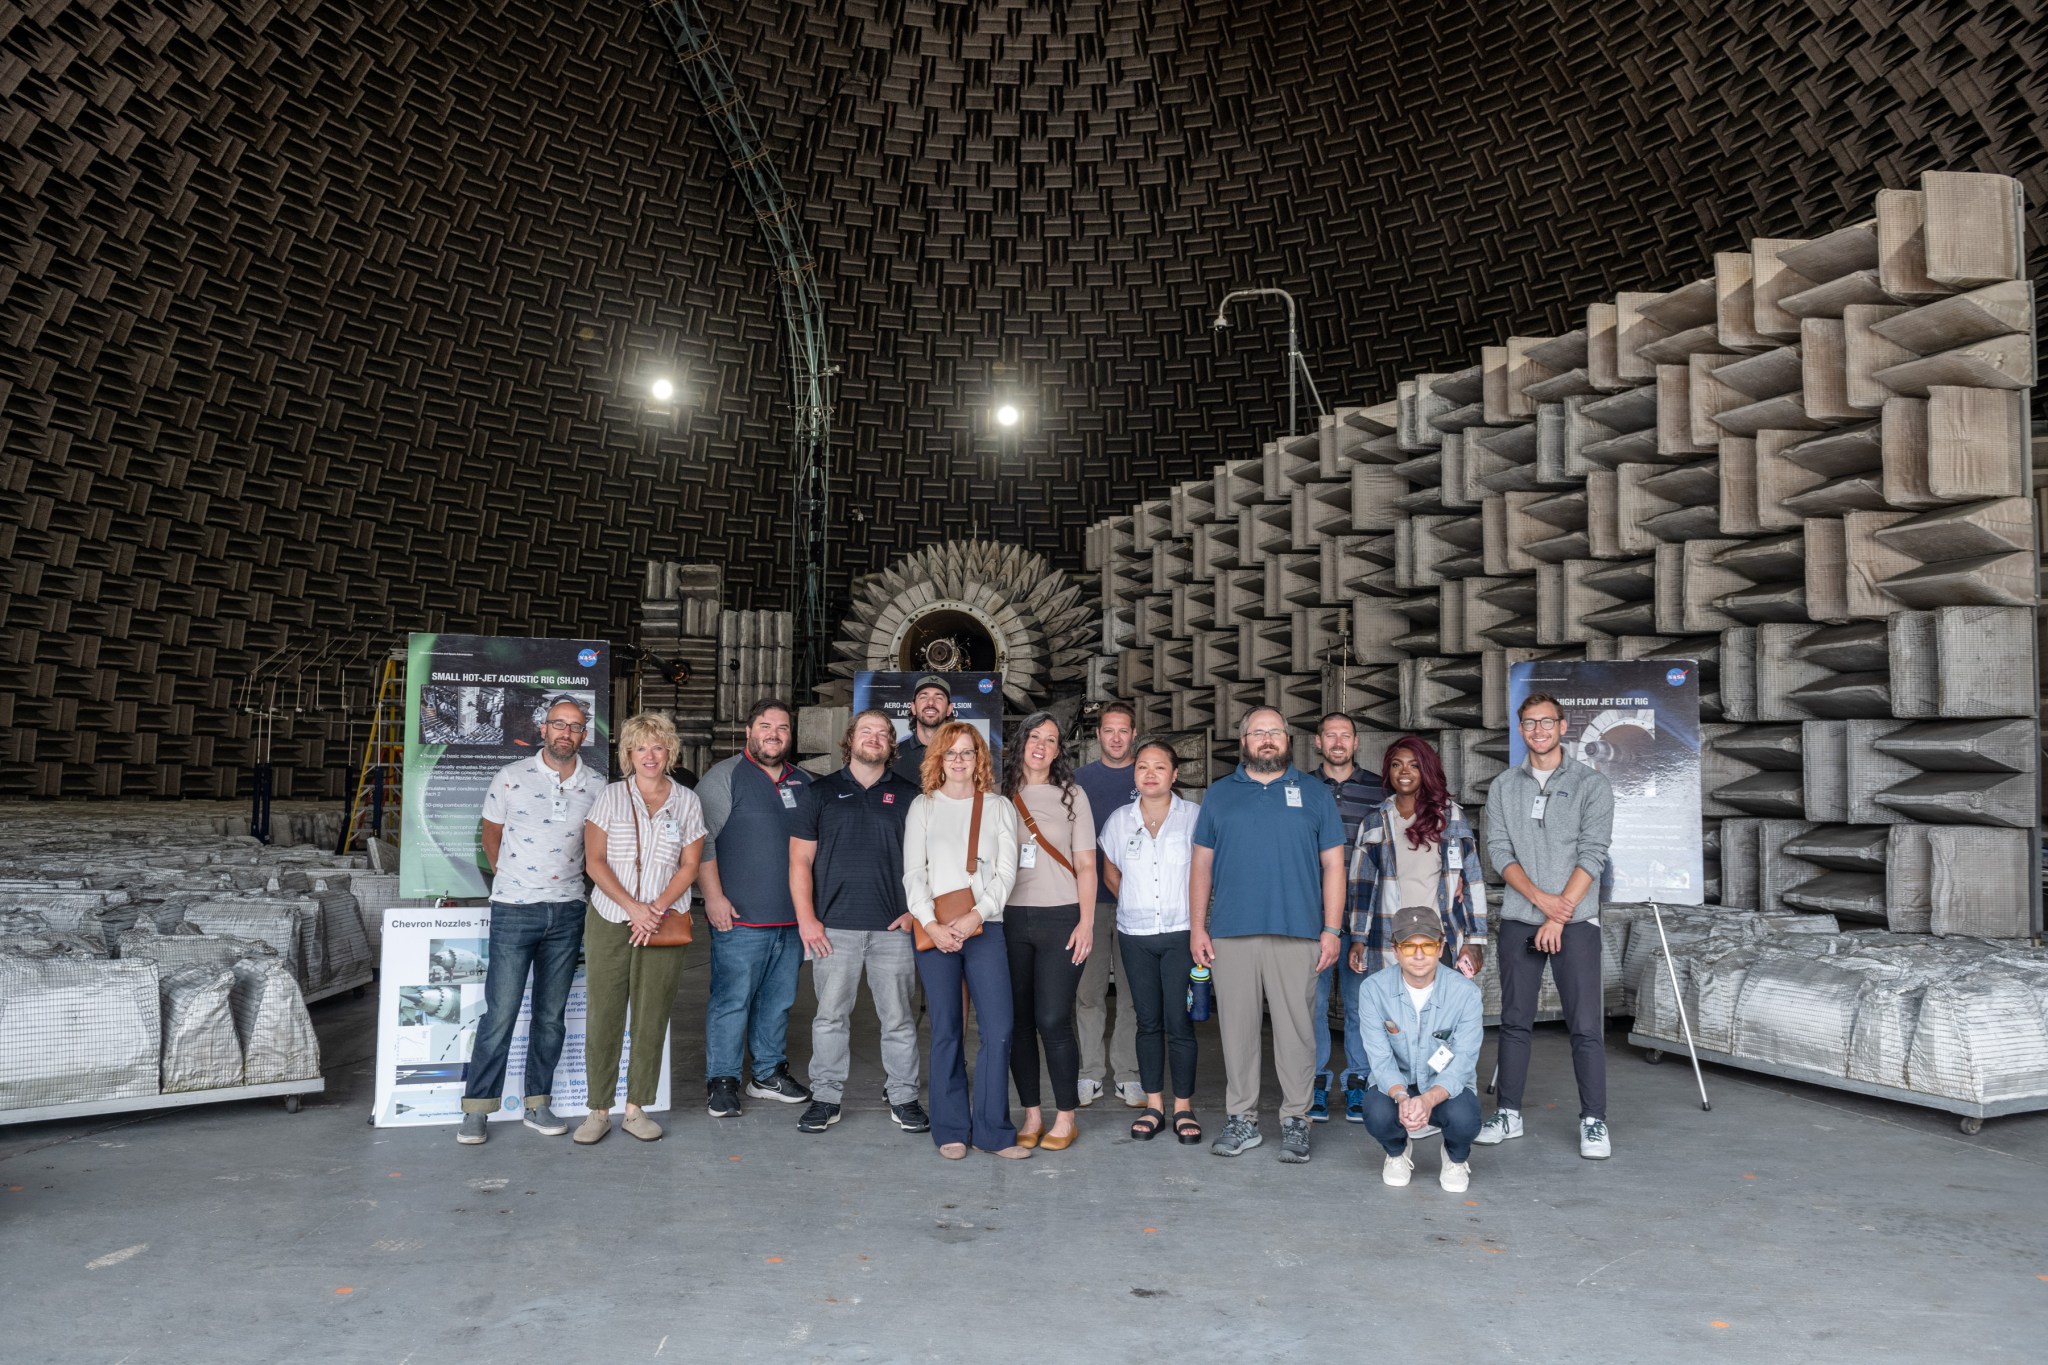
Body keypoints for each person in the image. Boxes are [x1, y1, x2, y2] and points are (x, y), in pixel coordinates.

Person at [1190, 707, 1346, 1164]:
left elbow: (1334, 864)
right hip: (1231, 933)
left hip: (1298, 931)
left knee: (1298, 1032)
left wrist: (1332, 929)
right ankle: (1242, 1119)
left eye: (1274, 731)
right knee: (1237, 1031)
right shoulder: (1219, 795)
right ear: (1243, 741)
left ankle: (1296, 1119)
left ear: (1288, 740)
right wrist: (1199, 926)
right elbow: (1201, 864)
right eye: (1257, 732)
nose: (1266, 739)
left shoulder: (1315, 793)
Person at [457, 695, 608, 1145]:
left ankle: (537, 1103)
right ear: (543, 728)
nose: (566, 732)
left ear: (585, 734)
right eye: (558, 724)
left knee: (550, 1016)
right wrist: (516, 884)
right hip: (513, 911)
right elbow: (491, 839)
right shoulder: (510, 778)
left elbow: (600, 850)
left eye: (575, 726)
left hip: (567, 912)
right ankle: (477, 1109)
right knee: (500, 1013)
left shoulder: (597, 786)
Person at [1478, 691, 1616, 1159]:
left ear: (1562, 727)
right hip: (1520, 919)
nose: (1538, 730)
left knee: (1584, 1025)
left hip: (1577, 924)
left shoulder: (1591, 785)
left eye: (1546, 722)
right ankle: (1509, 1113)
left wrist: (1561, 914)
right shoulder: (1502, 787)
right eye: (1529, 723)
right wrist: (1541, 904)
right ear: (1520, 730)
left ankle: (1594, 1121)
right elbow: (1499, 852)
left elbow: (1593, 853)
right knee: (1515, 1021)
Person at [789, 709, 929, 1135]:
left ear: (891, 745)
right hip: (834, 929)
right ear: (850, 740)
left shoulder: (911, 796)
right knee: (830, 1017)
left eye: (883, 733)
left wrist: (916, 911)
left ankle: (904, 1096)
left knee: (900, 1020)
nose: (874, 738)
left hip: (895, 929)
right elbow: (799, 860)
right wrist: (807, 919)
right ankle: (826, 1098)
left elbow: (929, 861)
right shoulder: (820, 792)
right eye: (866, 731)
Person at [576, 712, 707, 1144]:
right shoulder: (610, 797)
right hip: (612, 918)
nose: (649, 755)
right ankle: (598, 1109)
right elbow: (594, 862)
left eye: (657, 747)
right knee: (605, 1013)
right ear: (628, 754)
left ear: (670, 751)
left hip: (664, 922)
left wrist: (656, 909)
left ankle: (636, 1109)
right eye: (640, 748)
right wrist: (634, 908)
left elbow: (690, 865)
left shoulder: (687, 801)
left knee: (652, 1015)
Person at [902, 720, 1029, 1159]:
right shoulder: (923, 806)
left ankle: (993, 1131)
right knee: (947, 1030)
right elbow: (913, 873)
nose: (959, 760)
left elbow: (1007, 873)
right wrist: (932, 925)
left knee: (998, 1029)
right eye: (951, 752)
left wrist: (976, 915)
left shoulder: (997, 807)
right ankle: (951, 1129)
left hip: (985, 928)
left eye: (967, 752)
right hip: (935, 929)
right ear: (938, 758)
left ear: (980, 760)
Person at [697, 698, 814, 1117]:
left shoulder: (804, 782)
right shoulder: (723, 777)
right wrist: (713, 897)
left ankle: (767, 1074)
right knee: (732, 1001)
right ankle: (722, 1080)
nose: (774, 734)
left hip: (791, 920)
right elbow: (701, 841)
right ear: (749, 731)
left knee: (778, 1001)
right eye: (765, 726)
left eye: (782, 728)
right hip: (739, 918)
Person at [1000, 711, 1096, 1151]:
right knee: (1019, 1022)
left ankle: (1065, 1117)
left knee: (1053, 1020)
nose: (1041, 745)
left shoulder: (1073, 795)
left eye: (1051, 739)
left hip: (1062, 917)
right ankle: (1032, 1114)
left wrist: (1087, 922)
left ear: (1060, 750)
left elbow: (1086, 864)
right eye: (1034, 736)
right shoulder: (998, 792)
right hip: (1008, 919)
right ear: (1022, 741)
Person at [1099, 736, 1201, 1144]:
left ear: (1175, 775)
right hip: (1135, 935)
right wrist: (1134, 902)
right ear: (1134, 774)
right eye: (1142, 767)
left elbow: (1206, 872)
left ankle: (1184, 1108)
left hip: (1181, 933)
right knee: (1147, 1022)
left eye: (1159, 766)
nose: (1150, 773)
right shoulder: (1119, 821)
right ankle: (1155, 1104)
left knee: (1180, 1023)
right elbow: (1110, 871)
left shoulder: (1195, 817)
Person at [1357, 906, 1485, 1192]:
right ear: (1395, 950)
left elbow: (1464, 1060)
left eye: (1427, 945)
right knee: (1376, 1111)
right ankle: (1396, 1152)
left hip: (1442, 1085)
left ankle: (1455, 1157)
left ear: (1440, 949)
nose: (1418, 955)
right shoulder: (1373, 990)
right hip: (1396, 1087)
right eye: (1409, 946)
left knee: (1465, 1118)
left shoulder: (1465, 995)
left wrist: (1427, 1100)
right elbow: (1379, 1057)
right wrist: (1402, 1097)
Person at [1348, 735, 1486, 981]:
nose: (1404, 771)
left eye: (1414, 765)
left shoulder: (1450, 816)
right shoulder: (1375, 821)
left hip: (1440, 939)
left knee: (1441, 1016)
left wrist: (1475, 940)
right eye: (1396, 764)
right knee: (1395, 1017)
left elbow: (1472, 879)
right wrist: (1359, 937)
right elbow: (1362, 887)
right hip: (1393, 940)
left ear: (1426, 770)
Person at [1307, 710, 1385, 1124]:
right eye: (1330, 735)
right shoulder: (1298, 786)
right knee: (1312, 1004)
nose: (1338, 742)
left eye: (1346, 735)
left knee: (1360, 1005)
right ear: (1317, 742)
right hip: (1309, 916)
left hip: (1364, 918)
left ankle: (1359, 1083)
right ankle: (1316, 1083)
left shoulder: (1380, 789)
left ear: (1356, 743)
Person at [1072, 700, 1143, 1107]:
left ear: (1133, 734)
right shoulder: (1079, 781)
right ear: (1098, 735)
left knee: (1133, 994)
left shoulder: (1147, 775)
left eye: (1123, 731)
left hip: (1137, 905)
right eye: (1108, 730)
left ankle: (1128, 1073)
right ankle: (1090, 1073)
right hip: (1092, 903)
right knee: (1089, 992)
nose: (1116, 738)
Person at [891, 674, 954, 783]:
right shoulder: (893, 754)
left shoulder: (963, 753)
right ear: (913, 708)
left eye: (939, 697)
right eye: (923, 697)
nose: (930, 702)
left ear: (949, 709)